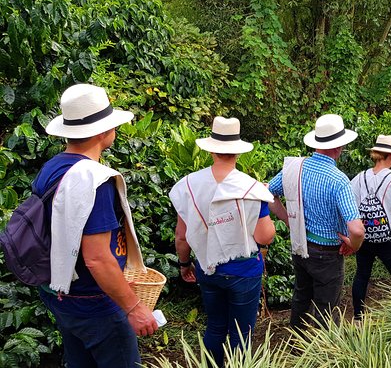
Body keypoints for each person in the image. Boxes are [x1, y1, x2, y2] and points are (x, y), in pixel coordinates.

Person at [36, 84, 157, 368]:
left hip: (61, 295)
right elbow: (97, 258)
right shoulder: (95, 180)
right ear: (104, 132)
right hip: (95, 304)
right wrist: (134, 307)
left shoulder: (51, 168)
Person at [169, 117, 275, 366]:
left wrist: (184, 265)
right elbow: (264, 236)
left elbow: (181, 236)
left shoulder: (189, 186)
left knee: (215, 326)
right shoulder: (252, 188)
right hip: (245, 272)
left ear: (212, 148)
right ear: (238, 151)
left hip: (208, 268)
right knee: (241, 333)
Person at [267, 114, 365, 329]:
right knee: (327, 308)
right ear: (339, 147)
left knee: (301, 298)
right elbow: (356, 230)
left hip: (300, 246)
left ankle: (297, 346)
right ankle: (324, 353)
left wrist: (290, 220)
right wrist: (354, 245)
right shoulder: (339, 180)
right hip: (327, 254)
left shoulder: (294, 169)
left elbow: (268, 193)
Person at [349, 135, 391, 320]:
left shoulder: (360, 178)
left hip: (364, 238)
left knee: (361, 275)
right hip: (388, 240)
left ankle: (358, 317)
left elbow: (351, 207)